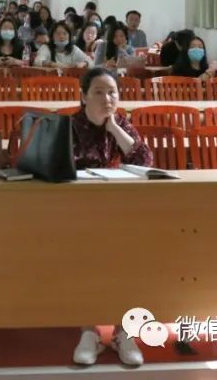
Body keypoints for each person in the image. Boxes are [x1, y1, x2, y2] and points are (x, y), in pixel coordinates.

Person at [71, 67, 152, 367]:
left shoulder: (123, 124)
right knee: (84, 258)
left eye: (112, 93)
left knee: (130, 256)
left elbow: (144, 160)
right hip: (77, 211)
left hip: (119, 208)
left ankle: (122, 332)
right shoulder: (68, 126)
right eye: (98, 92)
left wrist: (115, 129)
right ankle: (89, 331)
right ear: (83, 96)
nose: (107, 99)